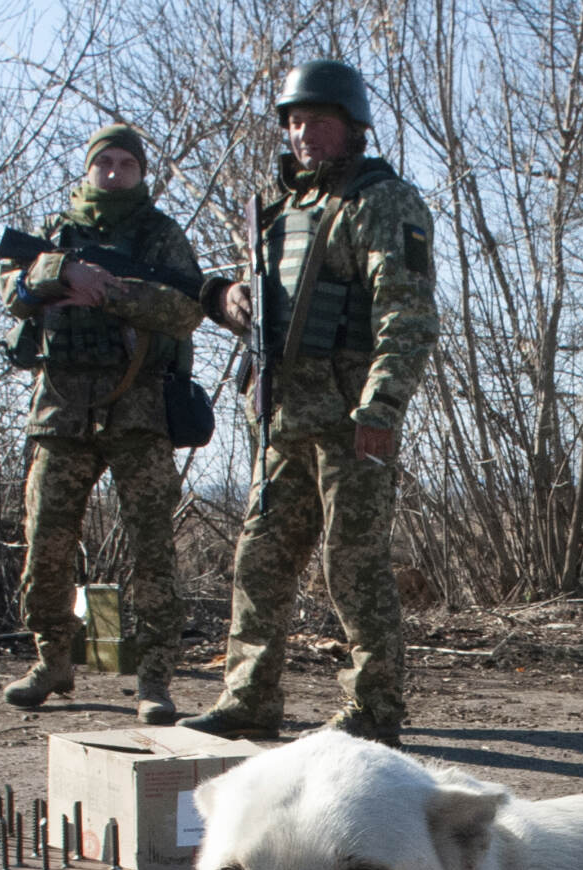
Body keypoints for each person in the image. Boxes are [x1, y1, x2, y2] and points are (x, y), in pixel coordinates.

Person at [181, 59, 438, 747]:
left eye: (316, 121)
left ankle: (374, 708)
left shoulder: (383, 202)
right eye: (293, 121)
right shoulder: (284, 213)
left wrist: (380, 410)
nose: (301, 134)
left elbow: (407, 318)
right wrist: (234, 300)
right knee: (259, 558)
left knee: (352, 564)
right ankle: (249, 696)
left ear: (352, 127)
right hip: (284, 419)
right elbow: (284, 307)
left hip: (351, 424)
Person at [0, 124, 206, 723]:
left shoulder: (159, 235)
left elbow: (187, 307)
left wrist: (108, 293)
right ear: (89, 170)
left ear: (141, 173)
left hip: (138, 411)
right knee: (47, 544)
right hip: (61, 411)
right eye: (104, 164)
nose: (113, 174)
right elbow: (13, 286)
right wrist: (61, 276)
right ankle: (51, 660)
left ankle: (155, 678)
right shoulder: (59, 232)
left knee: (153, 550)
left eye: (125, 165)